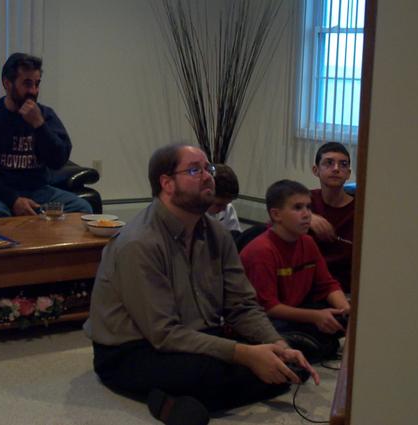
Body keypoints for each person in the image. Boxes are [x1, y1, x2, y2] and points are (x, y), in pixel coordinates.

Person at [84, 144, 318, 425]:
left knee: (286, 363)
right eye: (195, 170)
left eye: (209, 168)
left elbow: (242, 305)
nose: (208, 176)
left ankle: (183, 394)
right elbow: (164, 334)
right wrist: (246, 355)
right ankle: (169, 400)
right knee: (213, 374)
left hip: (195, 334)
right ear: (167, 183)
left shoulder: (218, 233)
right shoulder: (139, 243)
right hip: (132, 349)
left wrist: (276, 344)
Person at [0, 52, 92, 218]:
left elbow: (59, 159)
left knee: (83, 209)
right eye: (27, 83)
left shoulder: (45, 115)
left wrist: (39, 125)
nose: (33, 90)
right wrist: (13, 200)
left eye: (37, 84)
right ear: (7, 83)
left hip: (39, 191)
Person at [240, 179, 350, 362]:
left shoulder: (308, 242)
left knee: (338, 321)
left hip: (293, 311)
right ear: (276, 214)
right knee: (313, 342)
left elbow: (327, 285)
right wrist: (315, 317)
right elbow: (269, 307)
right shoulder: (261, 251)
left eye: (308, 207)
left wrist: (345, 310)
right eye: (298, 208)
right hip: (265, 319)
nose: (307, 214)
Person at [310, 142, 355, 293]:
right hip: (308, 283)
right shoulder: (304, 201)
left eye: (343, 165)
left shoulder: (359, 210)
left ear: (348, 173)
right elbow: (275, 226)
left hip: (345, 288)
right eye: (329, 163)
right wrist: (308, 217)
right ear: (316, 170)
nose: (336, 169)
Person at [205, 163, 242, 237]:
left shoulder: (228, 208)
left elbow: (234, 238)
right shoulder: (189, 212)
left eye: (227, 204)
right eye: (219, 205)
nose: (224, 209)